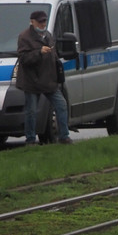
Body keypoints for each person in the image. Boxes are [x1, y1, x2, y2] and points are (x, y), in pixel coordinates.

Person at [15, 10, 72, 145]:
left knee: (62, 105)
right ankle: (30, 140)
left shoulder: (48, 35)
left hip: (49, 80)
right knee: (32, 111)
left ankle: (64, 136)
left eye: (44, 21)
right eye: (40, 21)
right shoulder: (24, 37)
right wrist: (39, 52)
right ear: (32, 21)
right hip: (31, 81)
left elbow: (54, 55)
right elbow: (23, 59)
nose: (42, 24)